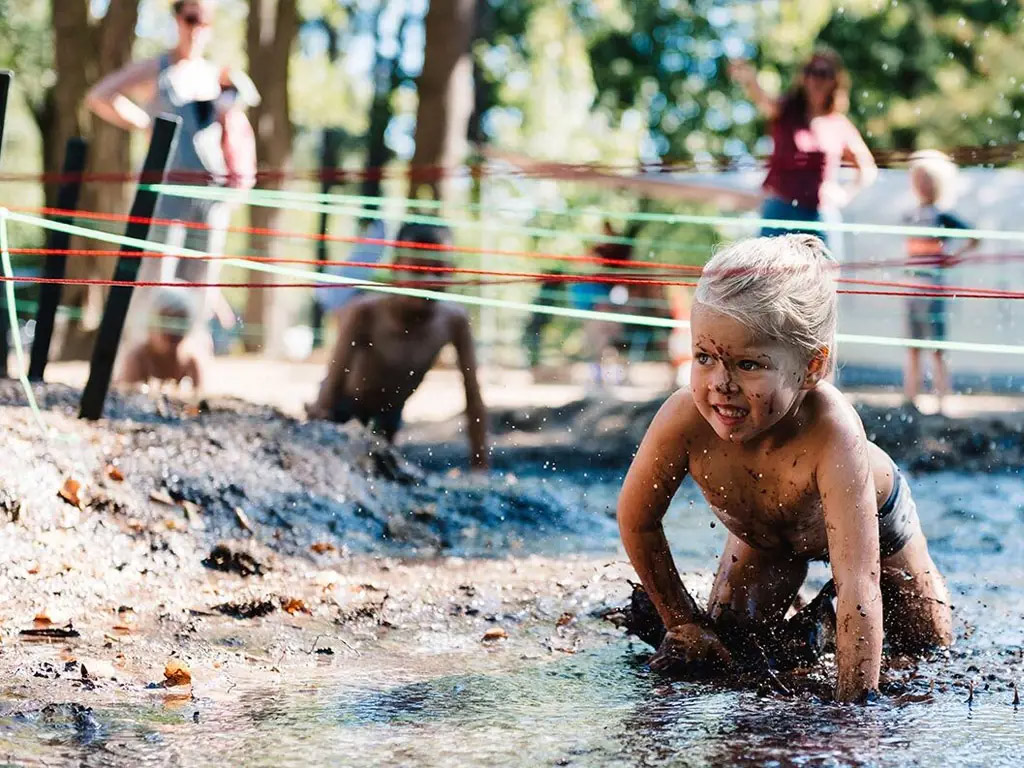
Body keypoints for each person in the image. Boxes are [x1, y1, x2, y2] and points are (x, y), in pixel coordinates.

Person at [617, 235, 951, 703]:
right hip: (766, 538)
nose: (720, 384)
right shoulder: (683, 421)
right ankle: (807, 629)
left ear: (812, 367)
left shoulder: (834, 433)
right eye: (704, 357)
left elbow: (859, 581)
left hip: (878, 526)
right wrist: (681, 622)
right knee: (731, 652)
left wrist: (854, 713)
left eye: (748, 364)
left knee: (927, 649)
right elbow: (637, 520)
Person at [86, 0, 259, 341]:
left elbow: (238, 132)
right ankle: (140, 359)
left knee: (201, 282)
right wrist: (143, 123)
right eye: (191, 18)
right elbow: (100, 95)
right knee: (155, 277)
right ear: (177, 20)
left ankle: (187, 363)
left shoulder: (217, 75)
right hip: (165, 191)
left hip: (210, 194)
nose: (197, 27)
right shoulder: (158, 69)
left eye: (205, 20)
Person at [306, 223, 488, 469]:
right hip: (344, 411)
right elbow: (331, 385)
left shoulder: (454, 322)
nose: (428, 280)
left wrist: (480, 465)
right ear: (395, 270)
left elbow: (473, 397)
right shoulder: (364, 313)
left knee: (381, 470)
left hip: (390, 416)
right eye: (417, 270)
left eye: (440, 271)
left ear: (453, 271)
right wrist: (318, 431)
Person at [729, 49, 877, 239]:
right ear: (803, 77)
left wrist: (844, 194)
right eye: (810, 71)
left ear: (835, 81)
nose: (815, 79)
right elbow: (763, 100)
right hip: (779, 209)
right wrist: (749, 79)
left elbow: (868, 168)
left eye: (823, 73)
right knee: (767, 268)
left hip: (819, 215)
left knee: (825, 269)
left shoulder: (839, 124)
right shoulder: (785, 110)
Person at [902, 151, 979, 412]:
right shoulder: (910, 214)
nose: (923, 185)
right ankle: (911, 395)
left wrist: (951, 258)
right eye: (919, 179)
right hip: (913, 287)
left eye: (928, 180)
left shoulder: (943, 215)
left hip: (933, 288)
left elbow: (973, 237)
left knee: (936, 345)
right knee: (913, 344)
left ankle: (942, 396)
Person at [117, 284, 205, 391]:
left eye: (179, 324)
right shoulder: (137, 358)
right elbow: (125, 396)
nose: (172, 334)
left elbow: (200, 399)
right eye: (166, 322)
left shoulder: (190, 362)